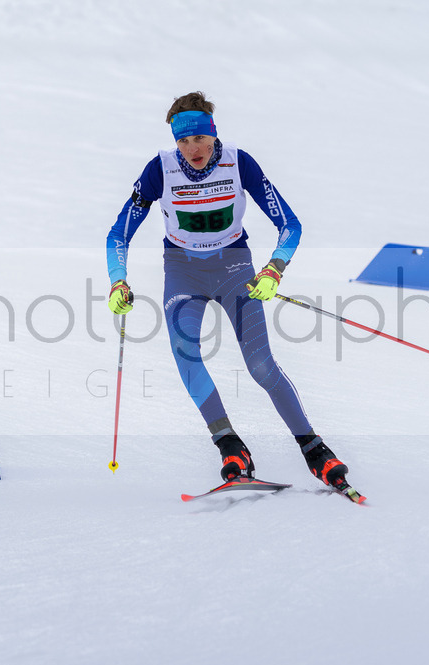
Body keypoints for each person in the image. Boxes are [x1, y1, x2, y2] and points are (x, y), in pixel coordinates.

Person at [105, 91, 352, 488]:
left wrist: (274, 269)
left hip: (235, 268)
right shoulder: (160, 170)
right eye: (182, 141)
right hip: (183, 273)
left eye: (198, 138)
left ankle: (313, 447)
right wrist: (118, 278)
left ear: (212, 132)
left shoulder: (239, 163)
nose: (192, 149)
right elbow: (119, 233)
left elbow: (291, 225)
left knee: (260, 365)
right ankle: (230, 446)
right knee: (186, 354)